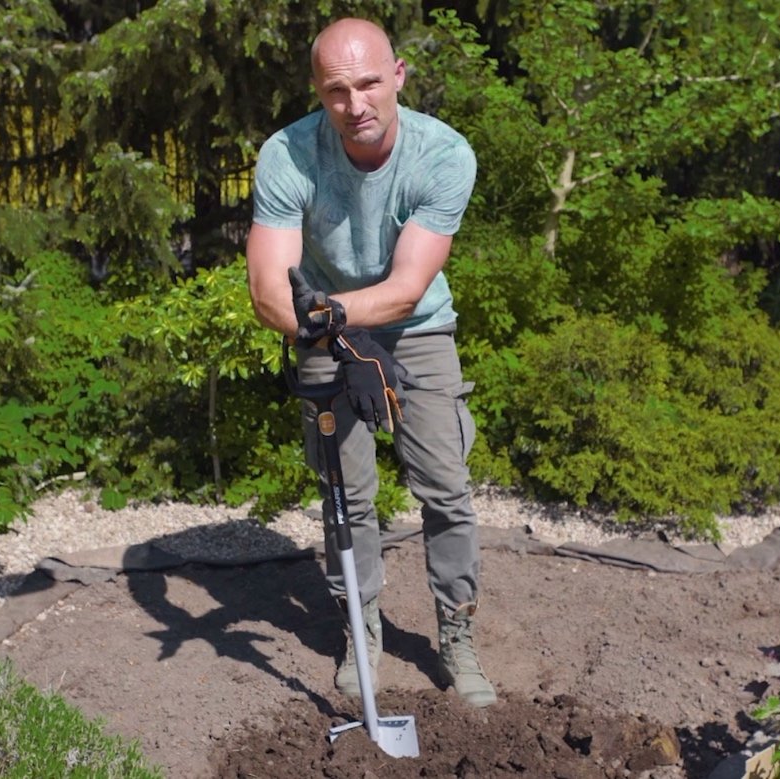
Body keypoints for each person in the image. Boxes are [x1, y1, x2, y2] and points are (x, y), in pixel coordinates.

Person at [244, 17, 495, 707]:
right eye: (336, 90)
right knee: (344, 494)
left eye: (368, 83)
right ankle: (362, 630)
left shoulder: (443, 155)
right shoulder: (287, 154)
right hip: (320, 329)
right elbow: (268, 292)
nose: (355, 104)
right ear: (317, 92)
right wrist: (334, 333)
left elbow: (408, 288)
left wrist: (333, 317)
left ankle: (456, 631)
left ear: (399, 76)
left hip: (415, 328)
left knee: (444, 487)